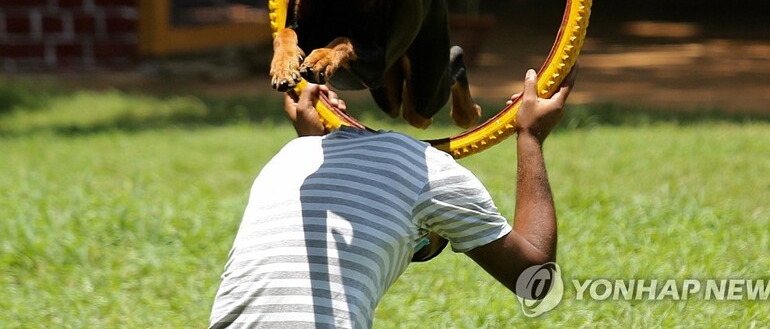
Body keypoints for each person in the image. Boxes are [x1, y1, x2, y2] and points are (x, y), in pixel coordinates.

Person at [209, 66, 577, 328]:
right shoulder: (430, 173)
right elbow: (536, 280)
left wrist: (313, 139)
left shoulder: (292, 158)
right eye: (426, 243)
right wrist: (530, 137)